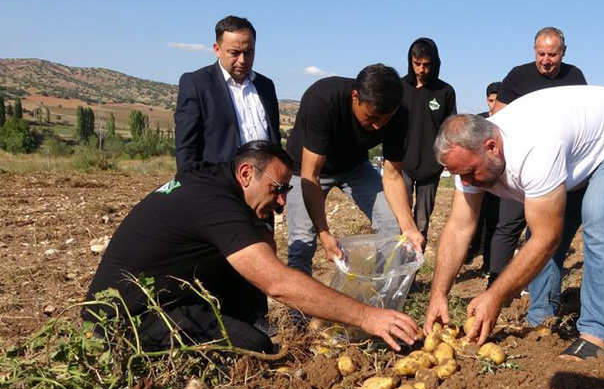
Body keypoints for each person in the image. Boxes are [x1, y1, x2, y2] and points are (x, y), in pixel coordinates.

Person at [83, 140, 419, 353]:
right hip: (123, 320)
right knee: (255, 346)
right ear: (246, 173)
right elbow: (277, 283)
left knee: (245, 302)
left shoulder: (214, 181)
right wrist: (366, 316)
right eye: (278, 189)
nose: (283, 202)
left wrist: (262, 221)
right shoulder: (214, 204)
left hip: (154, 300)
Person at [423, 86, 604, 361]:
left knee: (598, 215)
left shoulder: (534, 148)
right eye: (458, 175)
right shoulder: (468, 157)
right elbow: (458, 227)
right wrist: (438, 294)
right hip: (579, 151)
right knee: (540, 224)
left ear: (492, 147)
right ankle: (542, 317)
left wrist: (495, 296)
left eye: (468, 173)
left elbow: (546, 237)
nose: (466, 182)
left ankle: (596, 334)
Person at [286, 64, 424, 276]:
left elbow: (393, 175)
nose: (378, 126)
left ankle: (382, 291)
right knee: (302, 240)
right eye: (371, 118)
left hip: (354, 167)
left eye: (385, 119)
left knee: (391, 222)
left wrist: (409, 227)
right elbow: (310, 175)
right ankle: (298, 307)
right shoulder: (323, 98)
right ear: (354, 96)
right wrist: (324, 233)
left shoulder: (399, 114)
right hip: (305, 170)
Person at [488, 27, 587, 288]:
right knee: (508, 225)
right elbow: (498, 119)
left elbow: (583, 122)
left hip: (556, 169)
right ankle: (496, 282)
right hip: (520, 165)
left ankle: (536, 292)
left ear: (563, 53)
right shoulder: (518, 76)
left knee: (545, 231)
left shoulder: (575, 77)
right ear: (534, 51)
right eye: (541, 54)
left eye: (552, 55)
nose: (546, 60)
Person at [174, 15, 281, 170]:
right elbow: (187, 149)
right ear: (217, 49)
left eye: (249, 52)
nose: (242, 60)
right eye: (235, 53)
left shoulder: (266, 86)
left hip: (264, 183)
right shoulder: (197, 84)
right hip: (218, 184)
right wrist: (193, 186)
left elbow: (274, 137)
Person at [401, 38, 457, 246]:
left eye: (426, 64)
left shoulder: (445, 92)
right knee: (402, 221)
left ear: (434, 63)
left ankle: (412, 275)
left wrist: (445, 159)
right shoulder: (400, 88)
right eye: (417, 64)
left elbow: (450, 129)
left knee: (421, 223)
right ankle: (398, 273)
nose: (421, 69)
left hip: (431, 167)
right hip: (403, 165)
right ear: (410, 61)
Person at [467, 82, 502, 274]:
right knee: (474, 217)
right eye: (490, 101)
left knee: (494, 222)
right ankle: (471, 252)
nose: (493, 105)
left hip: (497, 183)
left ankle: (488, 264)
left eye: (496, 101)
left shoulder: (506, 122)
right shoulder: (479, 121)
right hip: (479, 182)